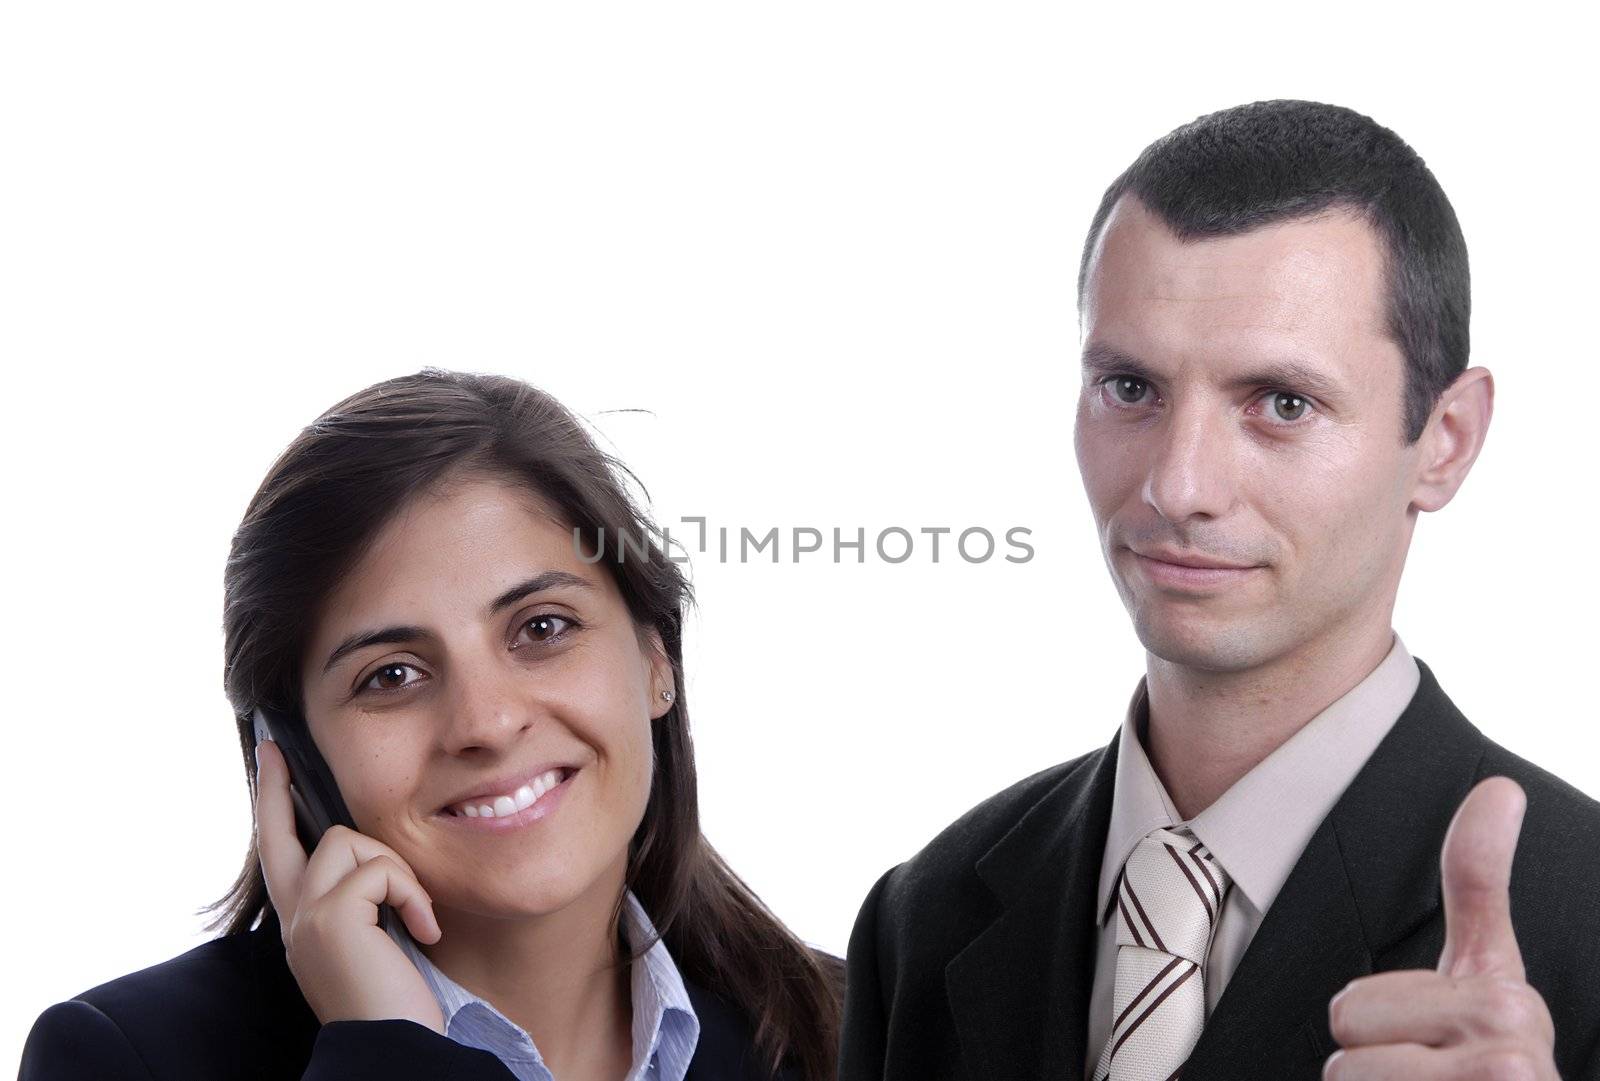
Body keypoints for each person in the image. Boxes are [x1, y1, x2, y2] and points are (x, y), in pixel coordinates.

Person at [838, 100, 1600, 1081]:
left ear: (1443, 441)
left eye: (1282, 403)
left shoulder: (1581, 926)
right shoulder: (925, 919)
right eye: (1129, 389)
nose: (1176, 485)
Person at [20, 369, 842, 1081]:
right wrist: (389, 1057)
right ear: (292, 754)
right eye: (393, 675)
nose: (484, 721)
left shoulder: (855, 1027)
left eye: (542, 627)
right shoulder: (127, 1059)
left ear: (657, 658)